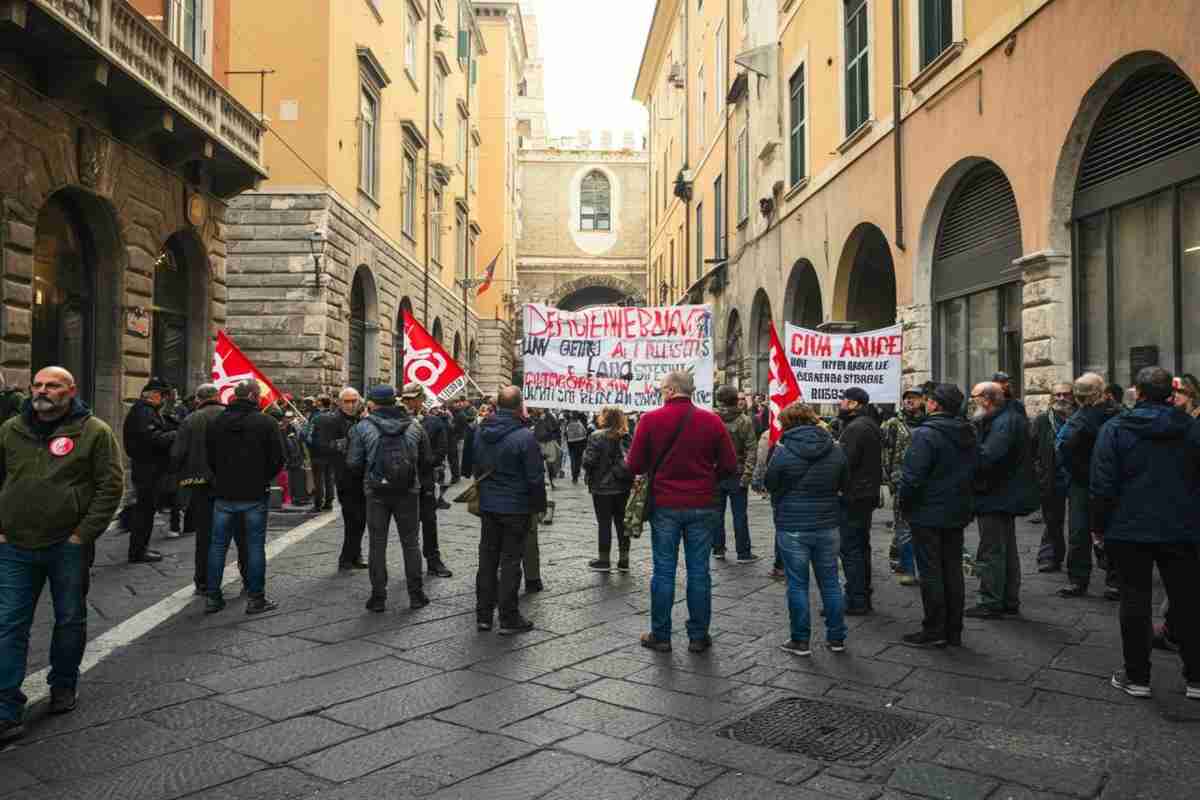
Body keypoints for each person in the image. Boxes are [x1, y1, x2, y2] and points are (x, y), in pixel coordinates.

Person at [0, 367, 124, 740]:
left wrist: (82, 535)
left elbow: (111, 485)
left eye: (52, 386)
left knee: (69, 618)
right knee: (9, 625)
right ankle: (6, 707)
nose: (42, 391)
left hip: (66, 545)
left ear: (70, 391)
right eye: (37, 385)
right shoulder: (10, 430)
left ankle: (64, 684)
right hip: (15, 545)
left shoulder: (94, 432)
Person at [1090, 366, 1200, 699]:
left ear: (1136, 392)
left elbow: (1102, 485)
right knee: (1189, 601)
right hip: (1183, 527)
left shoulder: (1115, 429)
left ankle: (1137, 676)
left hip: (1129, 527)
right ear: (1171, 394)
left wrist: (1098, 528)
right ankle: (1196, 678)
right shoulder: (1192, 428)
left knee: (1134, 601)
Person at [626, 371, 737, 653]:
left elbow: (635, 464)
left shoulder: (650, 420)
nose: (660, 393)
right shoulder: (711, 420)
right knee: (699, 571)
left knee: (663, 571)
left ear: (673, 390)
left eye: (663, 388)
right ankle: (698, 636)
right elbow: (728, 465)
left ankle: (661, 635)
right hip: (702, 504)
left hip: (665, 505)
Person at [765, 401, 850, 656]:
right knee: (831, 583)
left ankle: (800, 641)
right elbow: (844, 481)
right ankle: (837, 638)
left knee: (797, 584)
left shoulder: (782, 451)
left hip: (792, 524)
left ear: (787, 423)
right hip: (827, 523)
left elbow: (771, 483)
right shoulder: (835, 449)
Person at [897, 384, 977, 648]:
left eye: (929, 400)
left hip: (928, 511)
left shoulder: (926, 434)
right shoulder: (968, 431)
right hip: (956, 509)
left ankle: (934, 629)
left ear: (935, 405)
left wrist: (906, 505)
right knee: (952, 569)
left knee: (931, 571)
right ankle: (953, 629)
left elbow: (912, 478)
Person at [348, 385, 432, 612]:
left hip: (376, 492)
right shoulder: (415, 426)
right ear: (395, 401)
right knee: (411, 543)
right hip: (408, 491)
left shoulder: (362, 427)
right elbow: (426, 461)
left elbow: (353, 463)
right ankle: (416, 595)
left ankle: (378, 597)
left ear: (373, 403)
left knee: (377, 544)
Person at [205, 380, 284, 615]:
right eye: (258, 394)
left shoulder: (217, 421)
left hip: (223, 493)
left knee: (217, 546)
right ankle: (256, 598)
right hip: (254, 493)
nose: (260, 398)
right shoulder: (266, 422)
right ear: (251, 396)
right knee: (255, 546)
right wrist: (262, 478)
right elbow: (277, 459)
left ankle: (212, 597)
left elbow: (210, 457)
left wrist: (221, 477)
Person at [473, 386, 546, 635]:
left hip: (489, 505)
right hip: (515, 507)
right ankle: (508, 617)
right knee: (511, 561)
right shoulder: (525, 437)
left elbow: (473, 465)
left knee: (487, 559)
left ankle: (483, 615)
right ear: (518, 406)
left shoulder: (481, 431)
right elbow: (535, 478)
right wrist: (539, 506)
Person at [967, 381, 1038, 618]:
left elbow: (988, 457)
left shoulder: (1004, 422)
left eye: (975, 397)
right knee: (1005, 548)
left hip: (996, 494)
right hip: (1003, 493)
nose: (972, 401)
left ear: (987, 399)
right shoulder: (1007, 418)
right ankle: (1008, 599)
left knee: (992, 550)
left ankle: (991, 601)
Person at [170, 384, 246, 595]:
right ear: (218, 396)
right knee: (241, 534)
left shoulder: (191, 419)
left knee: (206, 536)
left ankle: (203, 581)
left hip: (202, 486)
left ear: (198, 399)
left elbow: (177, 453)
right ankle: (248, 579)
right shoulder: (233, 416)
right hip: (234, 485)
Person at [1055, 373, 1121, 598]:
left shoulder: (1080, 419)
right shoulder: (1116, 413)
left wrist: (1074, 471)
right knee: (1111, 528)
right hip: (1108, 480)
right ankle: (1114, 580)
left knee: (1079, 531)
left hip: (1082, 481)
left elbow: (1064, 449)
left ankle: (1079, 579)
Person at [837, 387, 883, 615]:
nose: (840, 403)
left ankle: (856, 599)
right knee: (860, 546)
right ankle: (862, 593)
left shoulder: (856, 428)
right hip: (865, 494)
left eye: (843, 400)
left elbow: (844, 463)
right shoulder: (869, 424)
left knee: (851, 548)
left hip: (854, 496)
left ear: (854, 404)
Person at [400, 384, 453, 578]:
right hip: (402, 482)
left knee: (429, 521)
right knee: (406, 525)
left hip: (424, 480)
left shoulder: (434, 423)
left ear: (422, 399)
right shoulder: (396, 421)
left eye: (414, 398)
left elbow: (440, 452)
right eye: (406, 399)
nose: (410, 402)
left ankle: (433, 560)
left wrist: (424, 462)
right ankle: (410, 564)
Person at [122, 377, 177, 564]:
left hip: (149, 467)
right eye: (162, 396)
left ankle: (140, 548)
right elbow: (152, 439)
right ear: (153, 395)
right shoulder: (144, 412)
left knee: (146, 510)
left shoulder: (146, 411)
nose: (163, 400)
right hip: (147, 468)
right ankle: (138, 552)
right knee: (144, 512)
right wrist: (174, 434)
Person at [313, 388, 368, 569]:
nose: (351, 405)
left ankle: (354, 554)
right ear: (339, 402)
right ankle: (347, 557)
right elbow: (320, 446)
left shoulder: (362, 419)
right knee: (353, 517)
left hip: (362, 475)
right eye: (347, 401)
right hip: (344, 475)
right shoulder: (329, 420)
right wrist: (344, 443)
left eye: (354, 401)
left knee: (360, 518)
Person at [582, 406, 634, 572]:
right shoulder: (626, 437)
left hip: (601, 488)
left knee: (604, 523)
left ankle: (604, 560)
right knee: (622, 523)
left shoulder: (596, 436)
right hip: (622, 487)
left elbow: (588, 462)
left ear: (604, 418)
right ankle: (624, 560)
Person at [882, 387, 925, 586]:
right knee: (904, 526)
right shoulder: (893, 423)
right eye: (907, 398)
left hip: (926, 481)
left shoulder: (930, 422)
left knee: (923, 527)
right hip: (901, 481)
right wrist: (890, 478)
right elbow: (885, 452)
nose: (909, 401)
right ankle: (908, 569)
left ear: (922, 401)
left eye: (914, 398)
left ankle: (919, 566)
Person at [1031, 382, 1075, 573]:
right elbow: (1032, 448)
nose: (1061, 398)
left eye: (1065, 394)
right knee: (1052, 520)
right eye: (1057, 395)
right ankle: (1050, 557)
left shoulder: (1079, 418)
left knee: (1079, 524)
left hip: (1076, 476)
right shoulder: (1042, 420)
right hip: (1052, 476)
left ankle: (1080, 562)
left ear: (1073, 396)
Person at [712, 385, 760, 563]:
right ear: (735, 399)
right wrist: (747, 474)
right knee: (740, 514)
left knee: (716, 513)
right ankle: (743, 552)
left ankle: (717, 549)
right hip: (737, 473)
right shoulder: (744, 420)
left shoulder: (711, 419)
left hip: (716, 473)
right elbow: (751, 449)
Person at [306, 395, 336, 511]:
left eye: (317, 400)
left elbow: (308, 435)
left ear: (321, 403)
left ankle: (318, 502)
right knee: (329, 478)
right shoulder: (334, 417)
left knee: (318, 478)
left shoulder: (316, 418)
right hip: (331, 451)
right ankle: (329, 502)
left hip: (317, 452)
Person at [565, 413, 589, 484]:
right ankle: (577, 473)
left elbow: (565, 433)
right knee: (578, 459)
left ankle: (574, 476)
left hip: (571, 444)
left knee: (573, 460)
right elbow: (585, 433)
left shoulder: (569, 424)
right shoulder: (580, 424)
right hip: (579, 444)